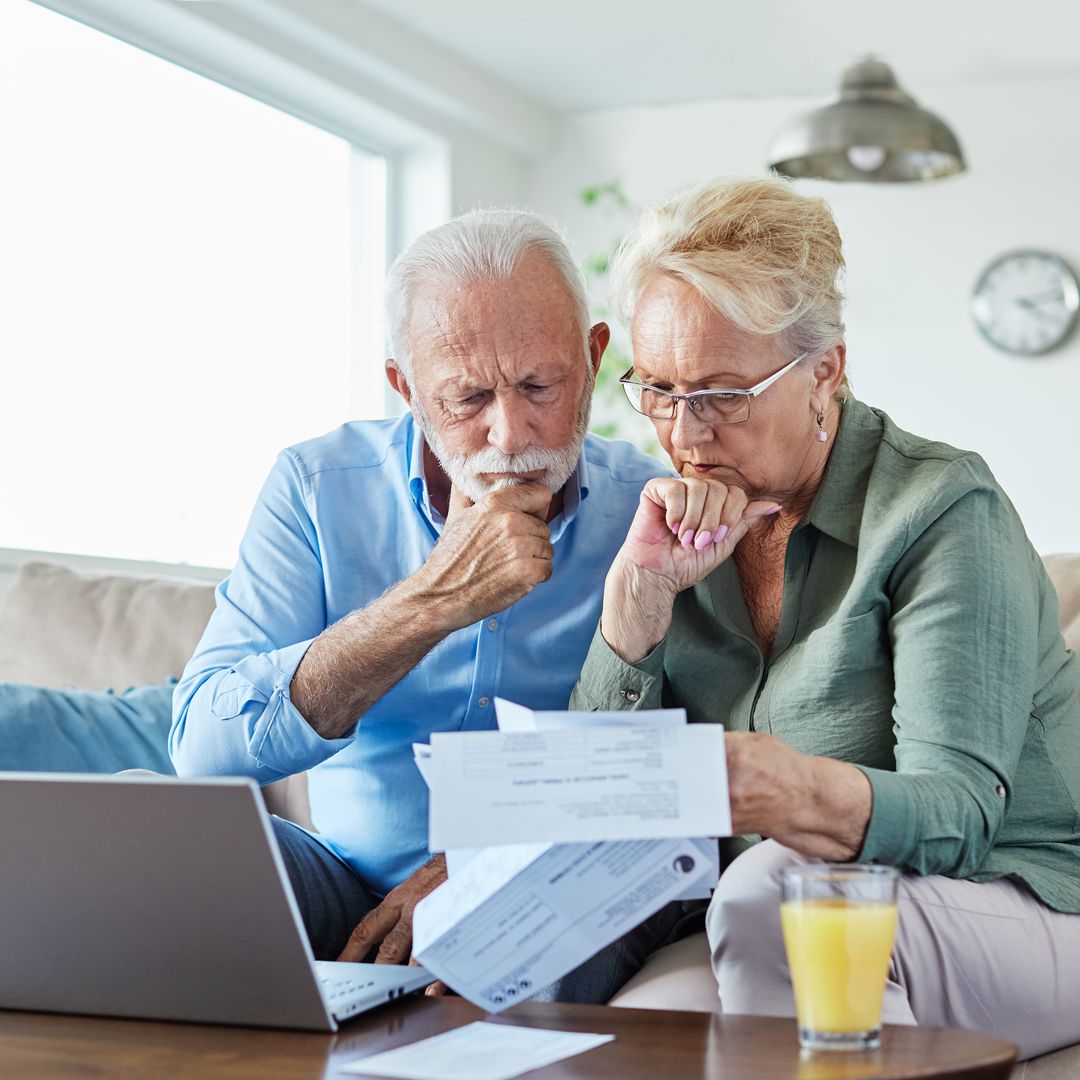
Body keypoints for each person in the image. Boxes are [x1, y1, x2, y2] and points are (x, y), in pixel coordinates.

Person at [570, 176, 1080, 1059]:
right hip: (769, 914)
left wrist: (793, 790)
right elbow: (589, 808)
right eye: (656, 389)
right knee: (636, 1040)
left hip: (1023, 893)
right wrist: (638, 608)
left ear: (825, 372)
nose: (684, 434)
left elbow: (960, 817)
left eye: (723, 394)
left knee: (775, 897)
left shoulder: (940, 508)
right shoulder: (678, 525)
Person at [170, 209, 691, 999]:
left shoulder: (652, 516)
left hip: (550, 876)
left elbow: (679, 764)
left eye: (540, 385)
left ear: (591, 360)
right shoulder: (315, 489)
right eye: (467, 396)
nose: (511, 433)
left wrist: (485, 863)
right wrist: (426, 603)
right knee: (175, 854)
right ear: (405, 388)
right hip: (348, 879)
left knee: (533, 928)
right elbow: (202, 750)